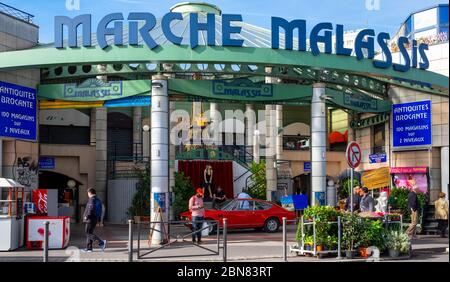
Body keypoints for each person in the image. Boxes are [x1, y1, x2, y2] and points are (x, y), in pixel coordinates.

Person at [82, 188, 106, 252]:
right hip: (94, 218)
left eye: (87, 193)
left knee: (88, 232)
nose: (87, 194)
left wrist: (86, 216)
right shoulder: (97, 199)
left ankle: (101, 242)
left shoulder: (91, 199)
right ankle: (89, 248)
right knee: (90, 233)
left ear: (89, 193)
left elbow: (90, 208)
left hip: (90, 219)